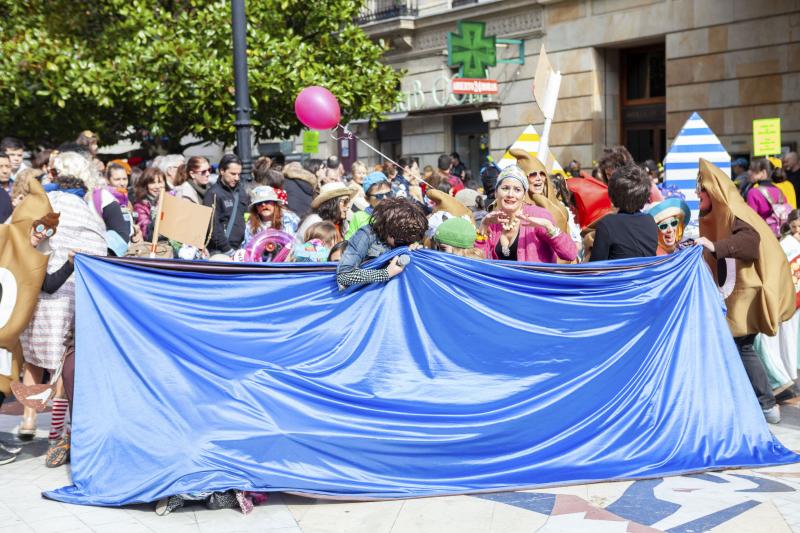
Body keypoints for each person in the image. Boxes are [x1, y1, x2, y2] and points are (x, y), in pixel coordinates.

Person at [694, 158, 795, 424]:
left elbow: (750, 243)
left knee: (742, 345)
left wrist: (715, 246)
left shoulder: (735, 211)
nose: (697, 193)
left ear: (713, 190)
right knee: (736, 345)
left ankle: (766, 403)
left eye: (701, 188)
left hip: (744, 294)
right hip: (733, 292)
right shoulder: (717, 213)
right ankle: (756, 401)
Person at [477, 165, 577, 263]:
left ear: (524, 195)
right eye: (505, 188)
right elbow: (477, 260)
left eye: (517, 190)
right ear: (496, 193)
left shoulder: (538, 214)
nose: (510, 194)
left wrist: (549, 226)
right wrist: (483, 226)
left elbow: (570, 254)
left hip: (535, 275)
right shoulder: (492, 220)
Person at [336, 198, 427, 288]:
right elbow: (343, 276)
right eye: (400, 241)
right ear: (388, 228)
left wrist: (415, 251)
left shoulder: (408, 234)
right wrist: (384, 274)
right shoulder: (367, 235)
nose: (404, 244)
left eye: (409, 241)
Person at [590, 165, 658, 262]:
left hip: (618, 272)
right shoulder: (650, 221)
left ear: (613, 195)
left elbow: (595, 266)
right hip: (647, 272)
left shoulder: (607, 224)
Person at [204, 154, 248, 255]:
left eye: (239, 174)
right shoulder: (213, 194)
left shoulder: (241, 192)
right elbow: (213, 226)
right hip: (222, 251)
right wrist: (227, 249)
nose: (237, 178)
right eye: (233, 174)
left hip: (241, 249)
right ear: (222, 171)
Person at [745, 158, 789, 237]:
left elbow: (751, 219)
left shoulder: (753, 192)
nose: (749, 172)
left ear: (763, 172)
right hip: (779, 235)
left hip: (762, 235)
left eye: (753, 170)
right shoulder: (780, 191)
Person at [346, 172, 391, 239]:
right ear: (367, 199)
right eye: (379, 196)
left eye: (388, 194)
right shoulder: (359, 217)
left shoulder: (398, 213)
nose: (385, 198)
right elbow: (349, 242)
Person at [132, 167, 167, 240]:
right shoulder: (140, 205)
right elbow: (146, 233)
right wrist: (158, 211)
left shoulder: (171, 199)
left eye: (160, 182)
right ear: (145, 185)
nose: (157, 186)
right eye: (152, 183)